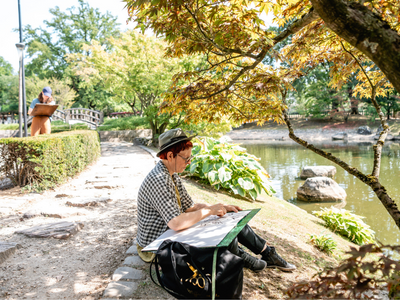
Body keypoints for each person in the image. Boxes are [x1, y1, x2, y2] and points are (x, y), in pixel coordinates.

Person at [136, 128, 296, 272]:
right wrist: (209, 211)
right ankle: (244, 258)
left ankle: (268, 253)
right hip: (155, 246)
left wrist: (220, 207)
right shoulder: (159, 179)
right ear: (170, 156)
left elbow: (190, 206)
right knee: (218, 231)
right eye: (186, 158)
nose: (189, 162)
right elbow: (176, 223)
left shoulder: (171, 174)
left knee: (230, 217)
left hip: (169, 234)